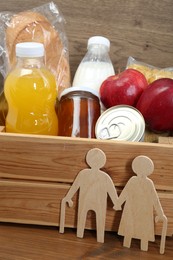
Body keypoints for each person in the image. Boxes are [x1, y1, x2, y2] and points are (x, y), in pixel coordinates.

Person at [61, 148, 119, 243]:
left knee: (96, 218)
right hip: (88, 201)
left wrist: (116, 202)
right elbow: (75, 186)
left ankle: (91, 235)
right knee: (86, 216)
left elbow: (111, 191)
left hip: (93, 201)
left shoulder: (86, 174)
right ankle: (84, 234)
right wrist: (68, 197)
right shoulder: (102, 176)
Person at [117, 155, 166, 251]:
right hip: (133, 209)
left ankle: (143, 247)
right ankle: (129, 244)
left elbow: (155, 199)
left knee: (143, 231)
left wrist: (160, 214)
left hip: (144, 210)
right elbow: (125, 192)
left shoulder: (148, 183)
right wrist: (118, 203)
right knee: (130, 228)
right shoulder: (133, 180)